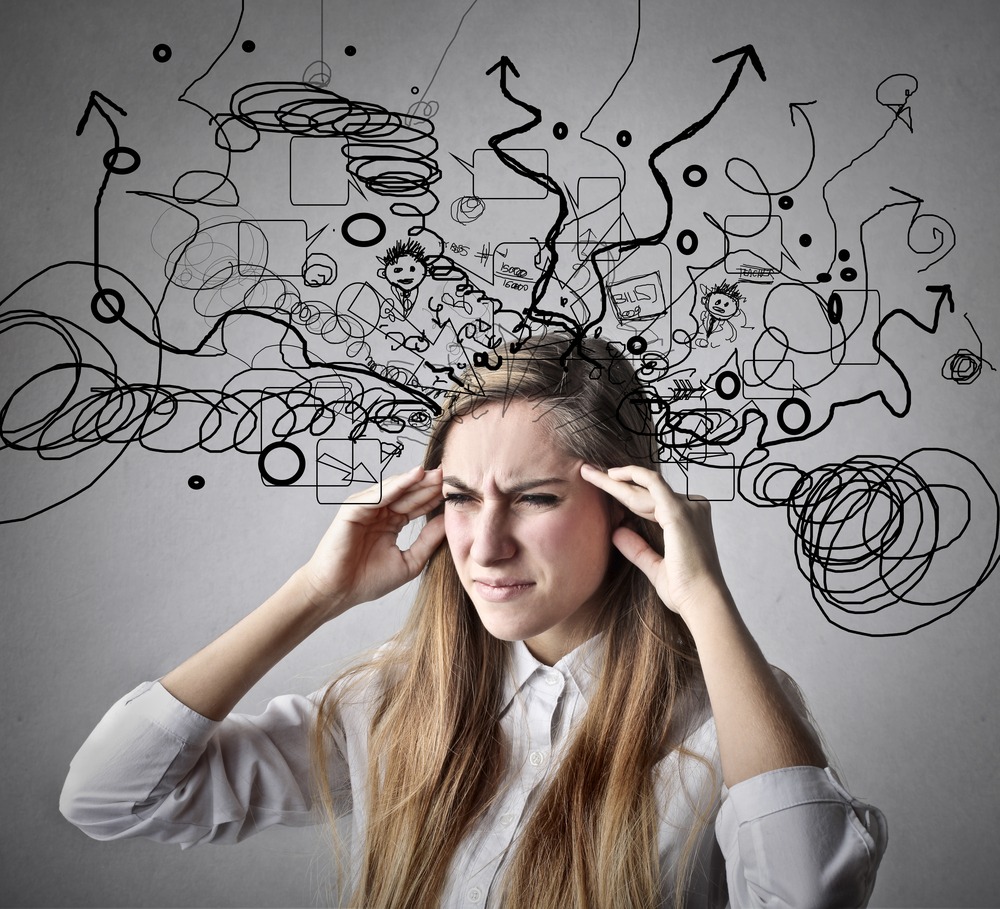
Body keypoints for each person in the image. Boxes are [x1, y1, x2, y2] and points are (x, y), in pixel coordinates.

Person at [60, 334, 887, 907]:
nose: (483, 545)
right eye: (460, 499)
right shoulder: (396, 703)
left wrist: (707, 602)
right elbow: (110, 795)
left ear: (627, 507)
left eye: (533, 499)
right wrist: (316, 591)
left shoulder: (722, 724)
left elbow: (811, 893)